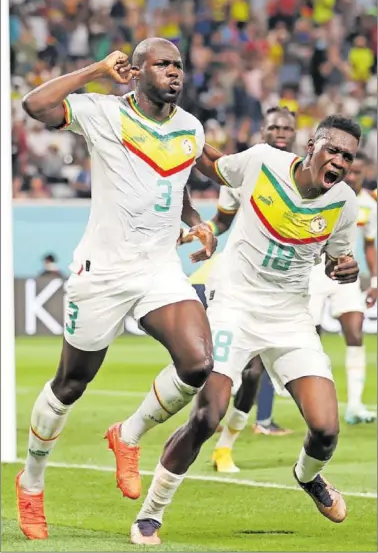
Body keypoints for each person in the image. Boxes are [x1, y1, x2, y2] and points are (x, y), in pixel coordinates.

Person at [16, 39, 218, 541]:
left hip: (157, 268)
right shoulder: (103, 112)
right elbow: (35, 105)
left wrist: (195, 221)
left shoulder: (190, 127)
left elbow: (176, 181)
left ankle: (127, 435)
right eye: (164, 64)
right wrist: (96, 71)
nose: (175, 71)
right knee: (70, 384)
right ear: (138, 69)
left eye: (179, 64)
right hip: (101, 271)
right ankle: (32, 482)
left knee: (197, 364)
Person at [129, 115, 361, 545]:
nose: (340, 161)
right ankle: (151, 514)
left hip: (291, 318)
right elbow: (210, 162)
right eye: (334, 150)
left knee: (326, 430)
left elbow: (336, 259)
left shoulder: (344, 202)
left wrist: (345, 269)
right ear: (312, 147)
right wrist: (167, 128)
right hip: (234, 305)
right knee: (206, 416)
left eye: (348, 157)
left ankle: (308, 478)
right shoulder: (263, 163)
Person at [183, 107, 297, 475]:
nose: (280, 132)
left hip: (279, 287)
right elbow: (222, 220)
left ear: (295, 134)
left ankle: (224, 446)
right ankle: (204, 432)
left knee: (255, 373)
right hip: (234, 280)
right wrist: (200, 232)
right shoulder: (246, 171)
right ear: (263, 131)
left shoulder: (306, 175)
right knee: (229, 369)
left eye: (286, 127)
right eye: (274, 126)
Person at [309, 152, 377, 424]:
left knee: (355, 331)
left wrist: (374, 282)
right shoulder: (323, 196)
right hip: (315, 273)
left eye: (357, 172)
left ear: (365, 173)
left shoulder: (369, 205)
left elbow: (369, 245)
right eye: (348, 171)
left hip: (346, 276)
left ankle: (355, 405)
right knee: (308, 335)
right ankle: (305, 393)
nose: (351, 177)